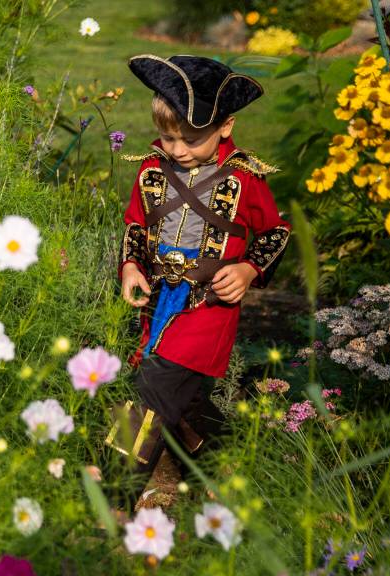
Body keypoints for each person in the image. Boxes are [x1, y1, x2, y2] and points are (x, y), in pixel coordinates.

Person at [113, 54, 291, 509]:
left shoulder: (243, 179)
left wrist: (249, 269)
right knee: (185, 402)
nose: (176, 149)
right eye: (169, 137)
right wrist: (131, 266)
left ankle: (111, 497)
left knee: (153, 392)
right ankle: (216, 469)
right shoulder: (151, 170)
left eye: (190, 140)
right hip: (158, 301)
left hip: (208, 307)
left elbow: (274, 231)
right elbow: (136, 224)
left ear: (225, 127)